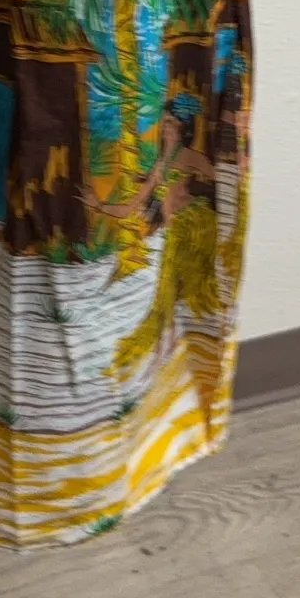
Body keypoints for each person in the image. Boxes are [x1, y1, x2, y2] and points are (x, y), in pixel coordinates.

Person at [89, 95, 221, 383]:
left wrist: (198, 195)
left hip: (194, 232)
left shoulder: (191, 158)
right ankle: (162, 355)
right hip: (172, 237)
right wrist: (98, 205)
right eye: (164, 123)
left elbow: (220, 185)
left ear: (183, 128)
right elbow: (130, 207)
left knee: (176, 295)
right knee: (163, 299)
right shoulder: (159, 166)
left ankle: (173, 355)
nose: (165, 128)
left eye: (171, 123)